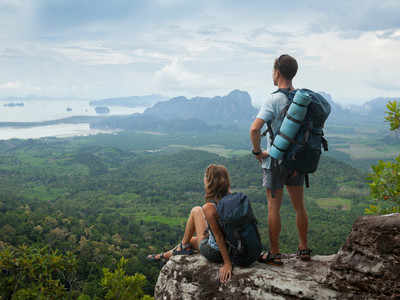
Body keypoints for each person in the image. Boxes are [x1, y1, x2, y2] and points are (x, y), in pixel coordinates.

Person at [249, 54, 311, 265]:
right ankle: (303, 248)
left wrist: (258, 153)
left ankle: (274, 252)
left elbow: (254, 129)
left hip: (274, 162)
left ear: (277, 72)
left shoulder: (273, 99)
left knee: (273, 208)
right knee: (299, 207)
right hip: (296, 162)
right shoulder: (302, 99)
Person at [147, 164, 232, 283]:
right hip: (232, 248)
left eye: (205, 177)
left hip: (217, 252)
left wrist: (227, 263)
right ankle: (168, 254)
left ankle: (178, 248)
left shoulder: (210, 207)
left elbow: (219, 237)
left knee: (196, 210)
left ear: (210, 182)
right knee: (191, 240)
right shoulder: (234, 200)